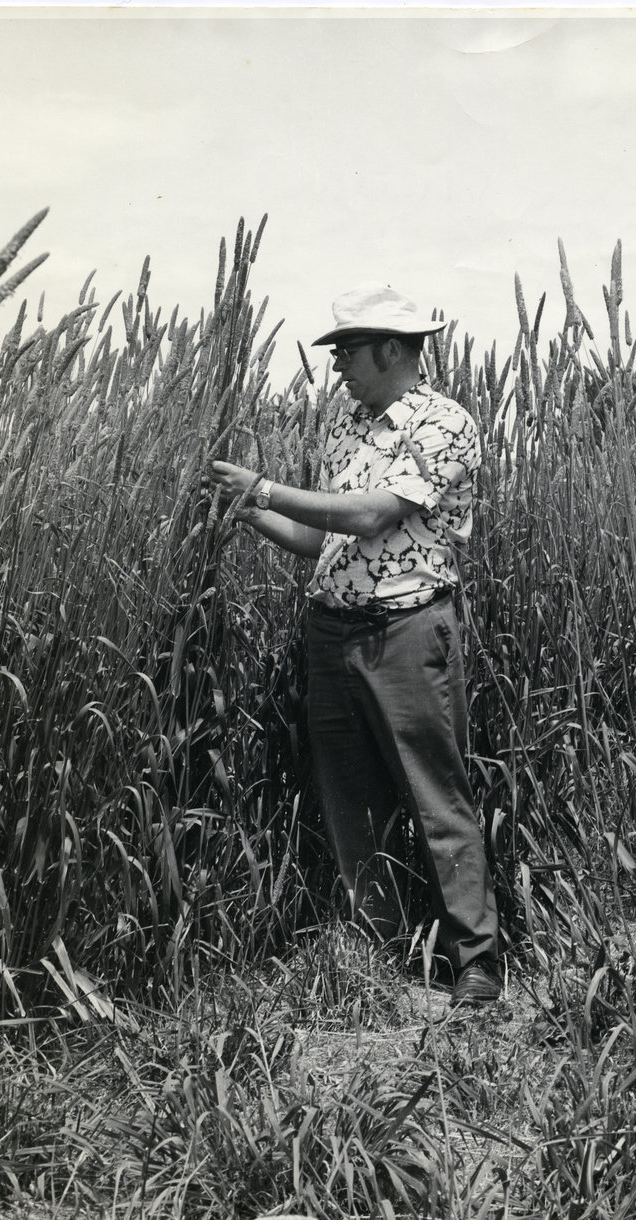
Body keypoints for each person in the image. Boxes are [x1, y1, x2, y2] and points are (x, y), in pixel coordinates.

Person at [208, 284, 502, 1006]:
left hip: (406, 632)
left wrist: (268, 489)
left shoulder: (444, 423)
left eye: (346, 351)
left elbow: (373, 514)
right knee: (350, 804)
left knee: (437, 796)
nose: (336, 365)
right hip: (332, 632)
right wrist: (246, 511)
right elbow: (324, 537)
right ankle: (383, 961)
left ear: (393, 350)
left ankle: (476, 964)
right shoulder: (346, 428)